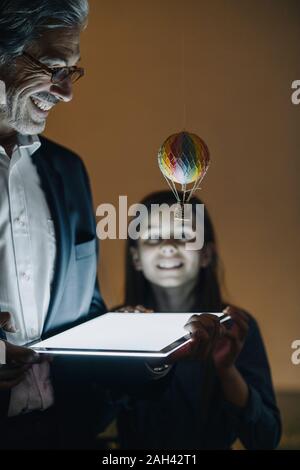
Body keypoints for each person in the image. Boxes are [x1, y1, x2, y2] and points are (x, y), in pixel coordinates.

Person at [0, 0, 217, 450]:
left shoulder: (69, 171)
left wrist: (147, 351)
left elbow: (83, 319)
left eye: (72, 72)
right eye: (55, 67)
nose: (67, 92)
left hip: (67, 432)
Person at [117, 190, 282, 449]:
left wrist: (227, 371)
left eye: (184, 235)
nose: (168, 246)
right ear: (136, 257)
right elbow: (88, 420)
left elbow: (265, 438)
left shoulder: (234, 327)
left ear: (206, 254)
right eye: (153, 237)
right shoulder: (115, 326)